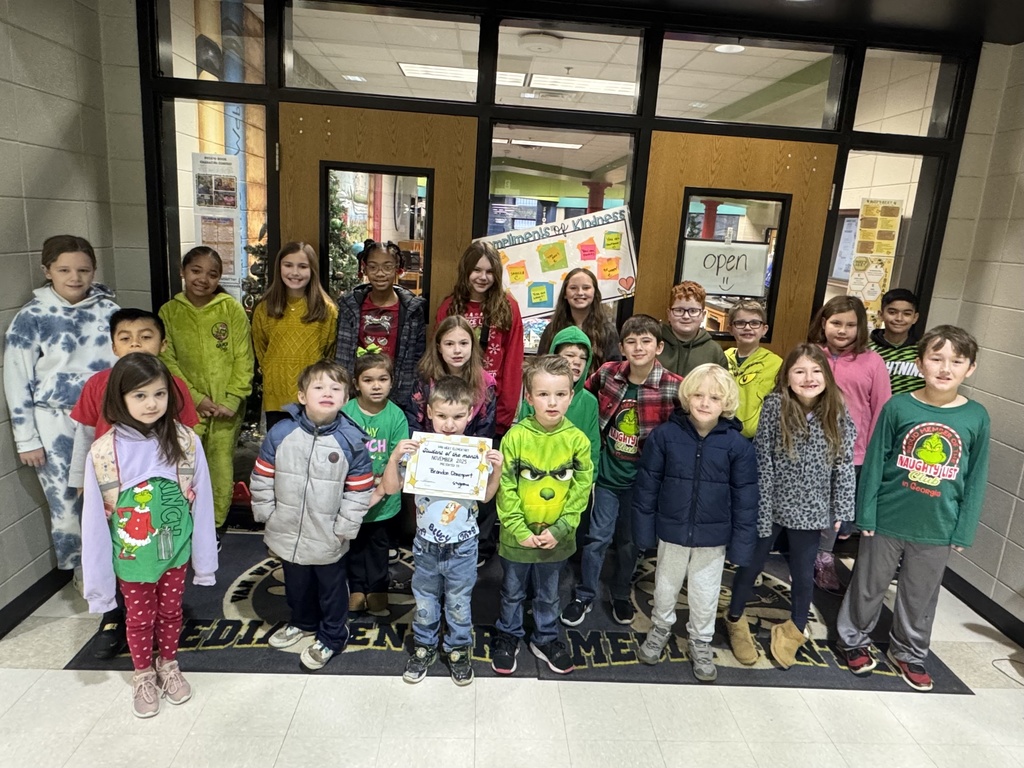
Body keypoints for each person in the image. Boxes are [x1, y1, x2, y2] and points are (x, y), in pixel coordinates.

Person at [837, 326, 990, 692]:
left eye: (956, 361)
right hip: (888, 517)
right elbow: (875, 463)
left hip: (938, 523)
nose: (945, 368)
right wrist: (866, 514)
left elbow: (977, 476)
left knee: (920, 594)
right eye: (936, 358)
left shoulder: (976, 417)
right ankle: (853, 640)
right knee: (869, 585)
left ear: (970, 369)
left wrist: (964, 528)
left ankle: (909, 652)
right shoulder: (899, 406)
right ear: (919, 363)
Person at [80, 353, 218, 718]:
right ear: (119, 398)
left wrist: (205, 562)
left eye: (159, 394)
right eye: (139, 395)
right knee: (139, 618)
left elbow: (202, 504)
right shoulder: (103, 452)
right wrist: (98, 586)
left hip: (174, 552)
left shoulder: (186, 441)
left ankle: (169, 664)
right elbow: (94, 523)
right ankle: (143, 674)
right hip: (131, 557)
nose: (151, 404)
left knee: (171, 612)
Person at [68, 308, 200, 660]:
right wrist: (80, 483)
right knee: (118, 554)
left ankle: (165, 622)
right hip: (112, 486)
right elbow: (83, 437)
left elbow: (187, 439)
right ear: (113, 345)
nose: (136, 344)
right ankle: (114, 618)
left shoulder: (173, 385)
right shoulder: (98, 384)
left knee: (160, 556)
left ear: (162, 343)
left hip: (162, 492)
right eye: (125, 338)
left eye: (146, 336)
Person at [724, 344, 856, 670]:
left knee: (802, 572)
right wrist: (763, 507)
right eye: (799, 371)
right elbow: (763, 460)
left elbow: (843, 464)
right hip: (771, 503)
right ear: (787, 376)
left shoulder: (838, 412)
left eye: (815, 371)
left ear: (826, 375)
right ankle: (735, 617)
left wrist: (842, 510)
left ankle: (795, 628)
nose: (808, 378)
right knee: (751, 564)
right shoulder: (775, 405)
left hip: (812, 509)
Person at [3, 235, 119, 586]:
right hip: (55, 423)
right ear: (47, 270)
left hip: (106, 419)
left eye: (83, 270)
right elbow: (16, 379)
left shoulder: (110, 311)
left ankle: (120, 568)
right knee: (66, 504)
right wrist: (26, 439)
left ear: (94, 270)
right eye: (64, 269)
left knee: (115, 495)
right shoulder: (31, 318)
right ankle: (83, 575)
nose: (75, 277)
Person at [633, 365, 758, 682]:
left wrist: (742, 546)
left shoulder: (738, 446)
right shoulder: (665, 436)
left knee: (706, 592)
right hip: (672, 531)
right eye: (699, 395)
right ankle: (660, 627)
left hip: (713, 537)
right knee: (665, 585)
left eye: (714, 397)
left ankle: (701, 640)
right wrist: (644, 530)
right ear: (687, 396)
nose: (705, 402)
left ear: (726, 403)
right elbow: (647, 486)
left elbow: (745, 498)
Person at [250, 361, 374, 672]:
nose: (327, 393)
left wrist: (344, 527)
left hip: (328, 533)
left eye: (336, 388)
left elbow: (359, 490)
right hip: (286, 527)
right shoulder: (282, 432)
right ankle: (302, 621)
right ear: (302, 396)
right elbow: (262, 475)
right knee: (296, 583)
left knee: (331, 589)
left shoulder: (351, 440)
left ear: (346, 398)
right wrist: (266, 512)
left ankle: (333, 635)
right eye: (319, 387)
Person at [560, 314, 684, 628]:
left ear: (659, 346)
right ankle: (585, 594)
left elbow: (681, 435)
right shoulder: (607, 374)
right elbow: (579, 400)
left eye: (646, 341)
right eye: (631, 341)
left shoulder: (673, 387)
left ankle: (619, 592)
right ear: (622, 346)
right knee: (597, 538)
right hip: (606, 475)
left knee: (630, 542)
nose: (638, 347)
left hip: (642, 481)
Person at [380, 376, 503, 686]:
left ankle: (459, 648)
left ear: (470, 414)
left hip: (463, 545)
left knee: (459, 601)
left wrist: (497, 468)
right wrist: (395, 457)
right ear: (430, 414)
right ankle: (423, 647)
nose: (449, 424)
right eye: (443, 416)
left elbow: (486, 497)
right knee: (425, 599)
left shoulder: (476, 453)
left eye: (458, 417)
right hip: (426, 544)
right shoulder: (418, 450)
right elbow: (391, 488)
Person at [491, 356, 594, 676]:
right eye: (544, 394)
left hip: (556, 539)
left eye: (561, 394)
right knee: (512, 591)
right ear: (528, 397)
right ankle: (508, 634)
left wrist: (562, 528)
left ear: (571, 396)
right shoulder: (516, 437)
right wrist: (517, 527)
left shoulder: (577, 440)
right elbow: (505, 486)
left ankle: (546, 637)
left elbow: (581, 489)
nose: (552, 402)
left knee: (549, 593)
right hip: (517, 537)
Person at [160, 247, 254, 542]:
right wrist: (195, 398)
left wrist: (232, 398)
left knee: (220, 463)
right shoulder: (169, 312)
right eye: (196, 271)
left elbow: (244, 356)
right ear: (183, 272)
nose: (203, 279)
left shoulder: (230, 309)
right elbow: (168, 362)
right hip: (187, 406)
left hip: (227, 408)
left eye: (212, 274)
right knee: (183, 464)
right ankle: (183, 524)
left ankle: (214, 526)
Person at [807, 295, 890, 592]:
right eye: (836, 323)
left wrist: (873, 453)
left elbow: (881, 409)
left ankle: (824, 560)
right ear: (823, 323)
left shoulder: (872, 361)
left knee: (833, 512)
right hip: (809, 450)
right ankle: (803, 561)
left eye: (850, 325)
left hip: (852, 454)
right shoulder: (810, 354)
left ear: (861, 327)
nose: (842, 330)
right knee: (805, 506)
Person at [342, 351, 410, 616]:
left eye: (383, 379)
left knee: (379, 546)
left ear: (392, 382)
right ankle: (357, 588)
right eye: (368, 380)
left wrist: (380, 489)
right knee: (354, 545)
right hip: (351, 497)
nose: (376, 385)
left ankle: (378, 588)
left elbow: (400, 458)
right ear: (356, 383)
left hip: (384, 501)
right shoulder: (345, 413)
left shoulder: (396, 416)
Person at [436, 241, 524, 436]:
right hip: (452, 410)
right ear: (466, 270)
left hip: (492, 408)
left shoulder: (509, 307)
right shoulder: (449, 307)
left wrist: (504, 413)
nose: (483, 277)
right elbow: (438, 360)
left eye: (490, 272)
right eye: (477, 270)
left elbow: (513, 362)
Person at [252, 241, 338, 430]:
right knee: (279, 454)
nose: (295, 272)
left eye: (302, 266)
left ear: (312, 269)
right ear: (279, 268)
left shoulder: (326, 310)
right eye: (288, 265)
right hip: (276, 398)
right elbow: (261, 351)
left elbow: (328, 353)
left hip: (312, 397)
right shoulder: (265, 308)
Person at [336, 239, 426, 411]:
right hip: (357, 394)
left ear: (398, 269)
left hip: (398, 396)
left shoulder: (412, 310)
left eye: (387, 266)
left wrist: (410, 394)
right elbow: (342, 354)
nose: (380, 273)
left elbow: (418, 358)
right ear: (364, 269)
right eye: (373, 266)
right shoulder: (350, 306)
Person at [517, 326, 600, 473]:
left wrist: (585, 483)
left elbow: (592, 450)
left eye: (583, 358)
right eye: (570, 355)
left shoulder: (590, 402)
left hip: (575, 483)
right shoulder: (534, 398)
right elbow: (521, 443)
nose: (577, 362)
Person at [406, 315, 497, 438]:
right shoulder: (425, 379)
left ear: (472, 345)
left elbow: (485, 432)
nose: (457, 350)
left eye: (464, 343)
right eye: (449, 344)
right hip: (429, 451)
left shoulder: (486, 384)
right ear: (439, 348)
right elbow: (414, 425)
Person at [537, 267, 621, 370]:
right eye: (573, 288)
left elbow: (613, 372)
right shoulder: (552, 329)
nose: (580, 292)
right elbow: (540, 367)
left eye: (586, 288)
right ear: (564, 294)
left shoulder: (608, 331)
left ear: (595, 293)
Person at [724, 300, 782, 439]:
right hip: (721, 432)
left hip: (756, 438)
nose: (748, 328)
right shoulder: (722, 357)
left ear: (764, 329)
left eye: (755, 323)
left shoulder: (775, 363)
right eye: (740, 323)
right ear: (730, 329)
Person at [657, 281, 728, 378]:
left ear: (703, 315)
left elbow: (722, 388)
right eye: (679, 310)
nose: (686, 316)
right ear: (669, 314)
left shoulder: (714, 351)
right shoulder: (654, 344)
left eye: (693, 311)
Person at [868, 288, 925, 395]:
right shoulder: (866, 350)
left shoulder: (924, 351)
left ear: (915, 318)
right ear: (881, 315)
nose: (899, 318)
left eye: (907, 314)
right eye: (892, 312)